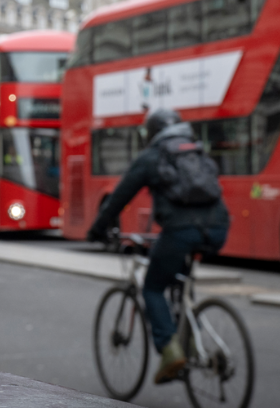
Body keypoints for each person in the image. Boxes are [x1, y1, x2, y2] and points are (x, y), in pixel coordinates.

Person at [86, 109, 230, 385]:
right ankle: (191, 336)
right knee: (179, 279)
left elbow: (120, 197)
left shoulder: (152, 157)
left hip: (181, 230)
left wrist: (97, 229)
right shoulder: (197, 151)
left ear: (151, 134)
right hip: (218, 228)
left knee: (153, 287)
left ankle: (171, 349)